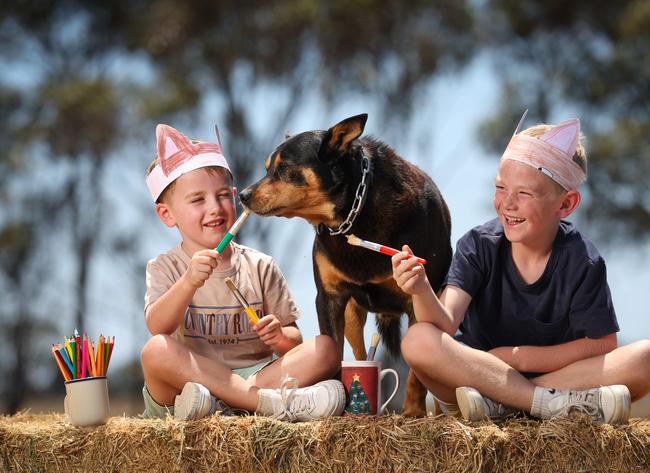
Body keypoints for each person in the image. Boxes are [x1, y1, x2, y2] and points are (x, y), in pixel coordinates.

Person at [392, 115, 650, 424]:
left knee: (645, 358)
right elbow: (444, 324)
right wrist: (420, 289)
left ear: (566, 204)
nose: (507, 203)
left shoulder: (583, 259)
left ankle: (508, 403)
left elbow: (602, 344)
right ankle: (542, 403)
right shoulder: (478, 245)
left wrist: (518, 357)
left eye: (524, 194)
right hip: (476, 374)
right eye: (500, 187)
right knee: (417, 340)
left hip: (556, 378)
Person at [140, 123, 345, 421]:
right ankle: (266, 405)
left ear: (235, 196)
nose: (215, 208)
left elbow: (293, 340)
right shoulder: (165, 266)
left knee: (326, 348)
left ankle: (233, 404)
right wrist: (187, 283)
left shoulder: (261, 266)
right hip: (190, 384)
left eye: (223, 195)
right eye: (198, 200)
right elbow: (158, 326)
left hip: (257, 377)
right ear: (167, 214)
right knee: (156, 350)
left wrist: (278, 337)